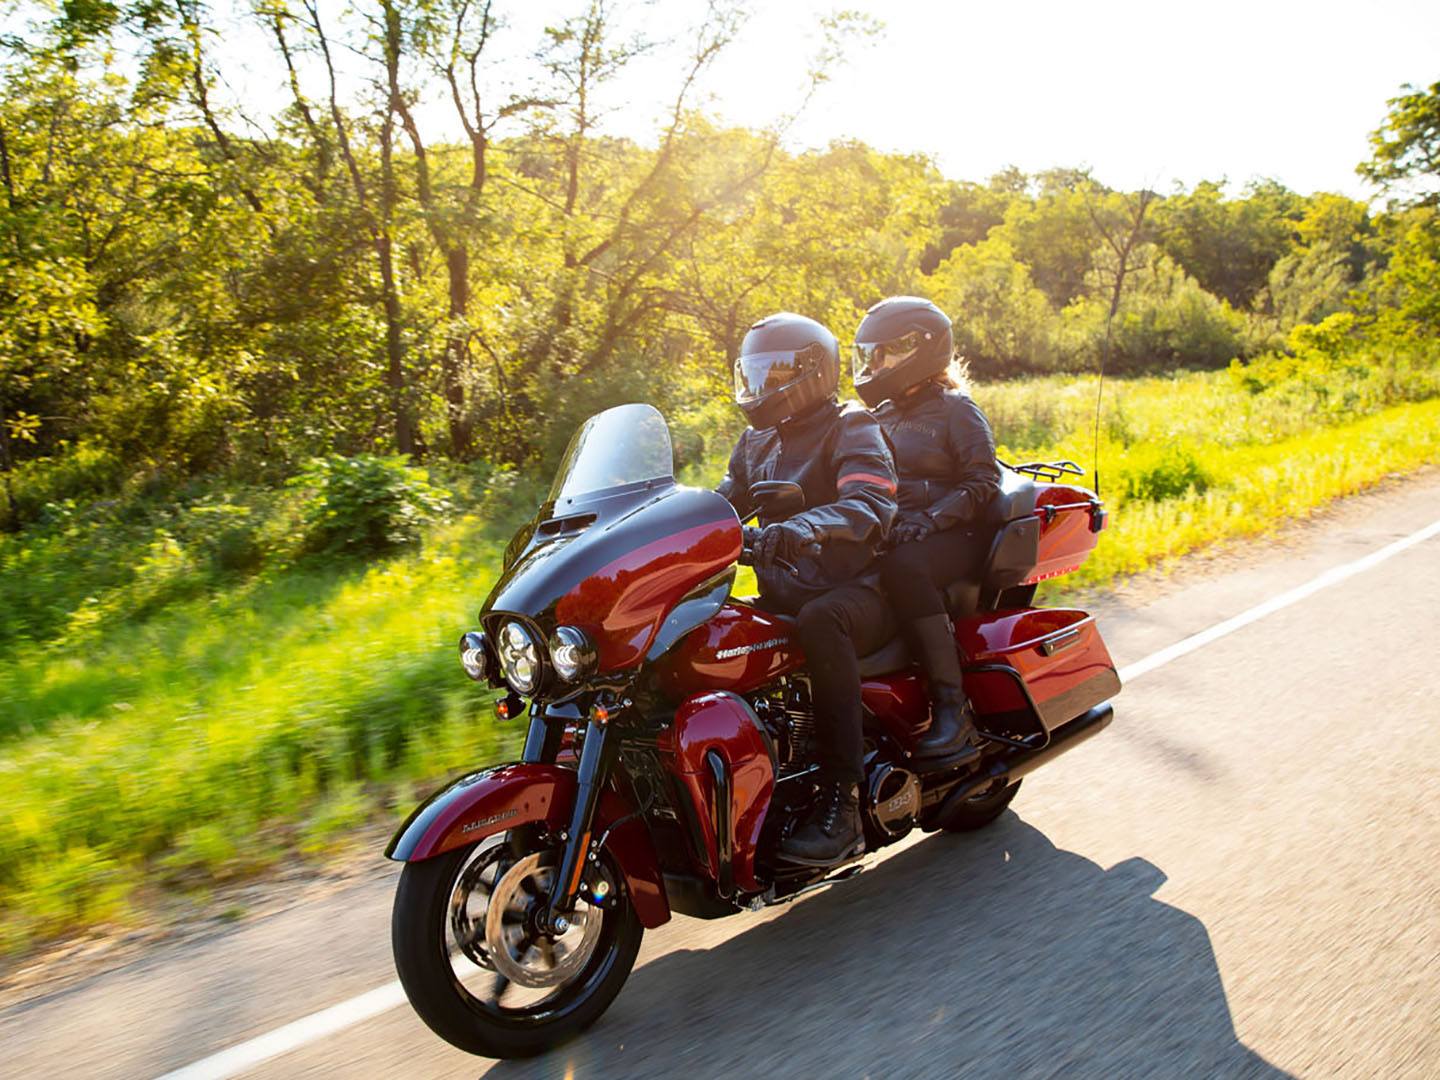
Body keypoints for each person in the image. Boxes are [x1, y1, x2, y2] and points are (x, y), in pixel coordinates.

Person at [718, 312, 899, 866]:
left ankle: (841, 806)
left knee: (823, 621)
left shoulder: (852, 425)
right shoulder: (755, 442)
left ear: (813, 372)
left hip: (859, 590)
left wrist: (803, 527)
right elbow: (723, 503)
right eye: (753, 374)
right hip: (785, 591)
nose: (760, 387)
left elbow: (871, 503)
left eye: (774, 374)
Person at [852, 296, 1002, 767]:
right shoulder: (879, 415)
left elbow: (984, 481)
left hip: (960, 534)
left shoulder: (956, 409)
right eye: (872, 354)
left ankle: (951, 710)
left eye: (887, 352)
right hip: (903, 532)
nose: (877, 364)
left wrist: (930, 519)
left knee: (904, 567)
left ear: (924, 347)